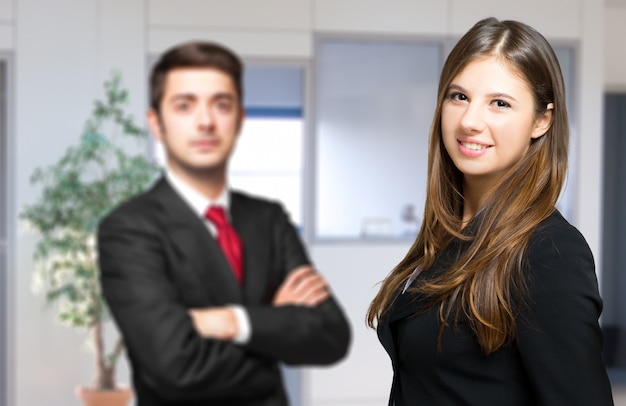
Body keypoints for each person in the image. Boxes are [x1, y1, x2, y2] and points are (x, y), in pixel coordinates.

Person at [367, 17, 614, 406]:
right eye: (459, 96)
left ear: (541, 121)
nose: (469, 121)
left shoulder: (549, 252)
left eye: (499, 103)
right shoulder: (449, 232)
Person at [98, 41, 351, 406]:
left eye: (221, 104)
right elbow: (176, 369)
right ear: (156, 123)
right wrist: (273, 326)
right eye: (185, 105)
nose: (205, 121)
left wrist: (231, 322)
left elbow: (330, 338)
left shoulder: (269, 218)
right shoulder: (128, 229)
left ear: (240, 119)